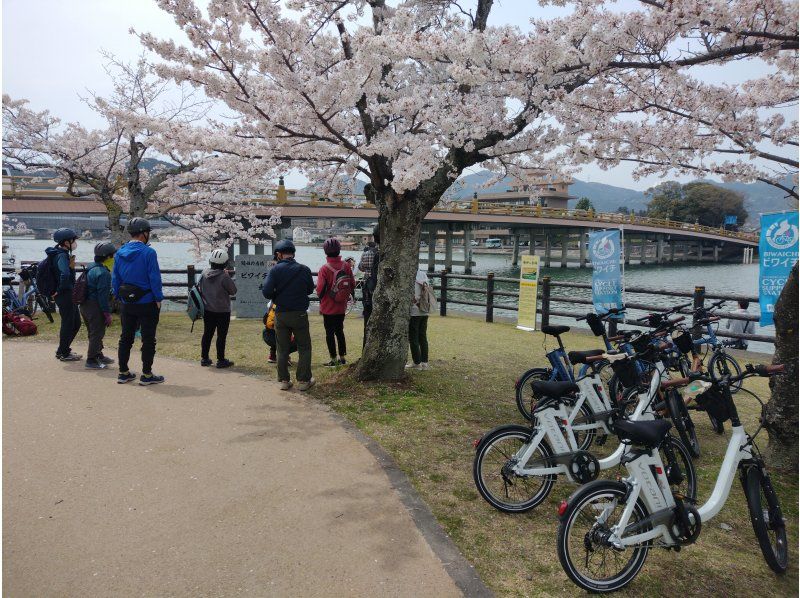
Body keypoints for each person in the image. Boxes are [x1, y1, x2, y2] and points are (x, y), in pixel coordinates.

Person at [112, 217, 165, 386]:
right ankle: (147, 375)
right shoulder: (149, 253)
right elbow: (154, 278)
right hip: (147, 301)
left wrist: (119, 297)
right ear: (143, 234)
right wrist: (158, 298)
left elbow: (116, 279)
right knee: (148, 339)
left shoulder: (119, 252)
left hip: (127, 303)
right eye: (148, 232)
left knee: (125, 337)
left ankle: (123, 372)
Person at [261, 239, 315, 391]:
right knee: (304, 347)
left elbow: (266, 292)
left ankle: (284, 380)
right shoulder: (304, 269)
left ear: (278, 254)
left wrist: (277, 293)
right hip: (299, 314)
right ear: (293, 253)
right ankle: (304, 381)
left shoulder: (275, 270)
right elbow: (310, 289)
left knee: (282, 348)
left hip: (281, 314)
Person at [316, 237, 356, 366]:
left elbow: (320, 290)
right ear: (339, 250)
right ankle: (343, 358)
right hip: (341, 306)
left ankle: (333, 359)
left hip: (328, 307)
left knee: (329, 333)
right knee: (340, 331)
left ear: (325, 251)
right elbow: (353, 284)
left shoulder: (324, 268)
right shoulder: (346, 266)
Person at [47, 228, 82, 361]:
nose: (75, 243)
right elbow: (65, 274)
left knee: (75, 323)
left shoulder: (63, 254)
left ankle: (63, 349)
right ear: (66, 242)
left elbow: (66, 273)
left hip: (67, 293)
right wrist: (60, 290)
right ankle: (64, 353)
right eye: (73, 240)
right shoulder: (61, 255)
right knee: (68, 323)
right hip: (64, 294)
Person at [80, 242, 116, 369]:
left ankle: (98, 354)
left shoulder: (91, 267)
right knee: (97, 333)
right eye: (113, 256)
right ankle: (91, 360)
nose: (114, 258)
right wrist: (107, 314)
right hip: (95, 306)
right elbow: (103, 296)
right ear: (107, 257)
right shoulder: (103, 273)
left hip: (84, 305)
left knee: (93, 332)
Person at [199, 248, 237, 368]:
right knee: (221, 336)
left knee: (207, 334)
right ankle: (221, 360)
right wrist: (226, 275)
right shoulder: (224, 277)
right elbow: (233, 291)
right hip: (222, 311)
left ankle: (204, 358)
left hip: (208, 310)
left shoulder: (204, 273)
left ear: (211, 261)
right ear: (225, 263)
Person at [358, 225, 380, 345]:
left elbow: (361, 267)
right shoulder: (380, 253)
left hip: (368, 280)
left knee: (367, 308)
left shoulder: (366, 254)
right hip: (379, 282)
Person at [407, 270, 432, 370]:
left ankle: (417, 362)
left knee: (413, 337)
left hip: (414, 310)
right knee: (423, 337)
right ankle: (424, 363)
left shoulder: (410, 275)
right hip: (424, 309)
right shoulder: (423, 275)